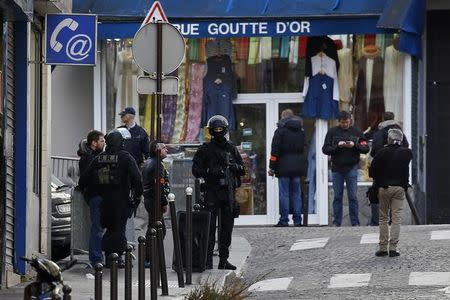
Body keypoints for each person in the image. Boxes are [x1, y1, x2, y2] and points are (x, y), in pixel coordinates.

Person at [79, 128, 143, 267]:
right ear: (120, 142)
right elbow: (137, 179)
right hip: (121, 201)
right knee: (118, 230)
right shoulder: (126, 157)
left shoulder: (99, 158)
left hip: (103, 202)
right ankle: (117, 258)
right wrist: (136, 199)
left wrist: (88, 196)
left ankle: (109, 258)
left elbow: (83, 180)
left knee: (107, 230)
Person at [192, 115, 245, 270]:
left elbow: (242, 170)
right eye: (216, 129)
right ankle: (207, 260)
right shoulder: (205, 149)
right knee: (208, 228)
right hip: (211, 192)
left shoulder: (231, 148)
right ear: (211, 131)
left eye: (221, 129)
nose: (219, 132)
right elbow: (196, 170)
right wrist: (211, 171)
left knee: (226, 229)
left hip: (228, 193)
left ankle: (223, 259)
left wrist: (233, 167)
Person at [369, 128, 412, 257]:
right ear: (401, 139)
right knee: (396, 219)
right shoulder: (407, 153)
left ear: (388, 139)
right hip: (399, 188)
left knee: (383, 218)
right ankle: (393, 248)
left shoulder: (382, 152)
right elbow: (406, 170)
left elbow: (372, 171)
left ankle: (383, 248)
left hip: (384, 187)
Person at [322, 111, 369, 227]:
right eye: (343, 123)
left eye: (347, 122)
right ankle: (337, 222)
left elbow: (365, 148)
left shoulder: (357, 132)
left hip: (351, 168)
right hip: (337, 168)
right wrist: (337, 146)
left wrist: (355, 145)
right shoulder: (332, 132)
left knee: (352, 196)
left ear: (350, 121)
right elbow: (325, 149)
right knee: (337, 196)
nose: (345, 125)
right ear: (339, 121)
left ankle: (355, 222)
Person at [368, 111, 409, 226]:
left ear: (383, 119)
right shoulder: (400, 132)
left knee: (375, 194)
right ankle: (393, 221)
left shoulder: (380, 132)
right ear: (393, 118)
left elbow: (375, 150)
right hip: (397, 170)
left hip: (382, 170)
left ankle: (376, 222)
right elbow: (406, 146)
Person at [117, 106, 150, 245]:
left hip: (135, 170)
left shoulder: (141, 132)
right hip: (120, 171)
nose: (122, 117)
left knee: (134, 198)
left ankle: (130, 225)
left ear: (130, 116)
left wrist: (144, 168)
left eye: (123, 115)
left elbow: (146, 152)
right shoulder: (119, 131)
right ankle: (124, 230)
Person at [268, 109, 306, 227]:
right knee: (296, 194)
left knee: (284, 194)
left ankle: (284, 220)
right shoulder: (301, 131)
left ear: (283, 117)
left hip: (283, 166)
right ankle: (298, 220)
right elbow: (303, 148)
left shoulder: (280, 131)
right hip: (297, 166)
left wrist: (272, 167)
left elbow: (275, 151)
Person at [77, 130, 106, 266]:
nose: (104, 143)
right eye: (102, 141)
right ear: (94, 143)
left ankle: (100, 257)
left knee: (101, 227)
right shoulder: (88, 158)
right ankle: (96, 259)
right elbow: (88, 178)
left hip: (99, 195)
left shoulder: (99, 156)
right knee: (98, 228)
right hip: (95, 195)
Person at [141, 141, 169, 261]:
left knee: (157, 228)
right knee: (156, 229)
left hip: (149, 199)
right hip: (154, 200)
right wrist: (163, 202)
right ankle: (149, 256)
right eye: (163, 148)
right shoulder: (157, 165)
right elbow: (159, 186)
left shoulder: (149, 162)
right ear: (156, 150)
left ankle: (151, 255)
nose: (166, 150)